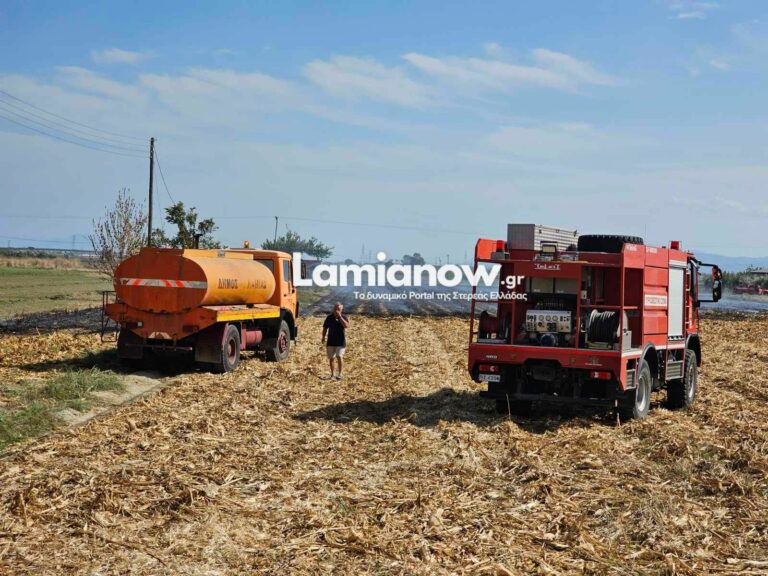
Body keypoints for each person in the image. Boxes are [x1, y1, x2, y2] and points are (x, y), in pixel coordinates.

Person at [322, 302, 349, 380]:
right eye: (335, 309)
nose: (336, 310)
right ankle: (333, 374)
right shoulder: (329, 317)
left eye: (338, 309)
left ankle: (340, 374)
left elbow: (346, 326)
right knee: (331, 358)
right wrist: (323, 337)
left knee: (339, 356)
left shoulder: (344, 317)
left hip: (340, 342)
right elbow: (325, 328)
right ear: (333, 309)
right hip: (331, 341)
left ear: (341, 310)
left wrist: (340, 317)